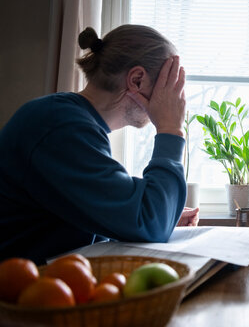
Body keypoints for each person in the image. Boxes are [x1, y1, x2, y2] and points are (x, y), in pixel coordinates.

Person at [0, 25, 199, 265]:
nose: (175, 100)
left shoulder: (70, 121)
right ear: (137, 80)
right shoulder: (59, 126)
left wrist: (163, 213)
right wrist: (171, 130)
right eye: (169, 88)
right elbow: (150, 224)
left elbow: (86, 216)